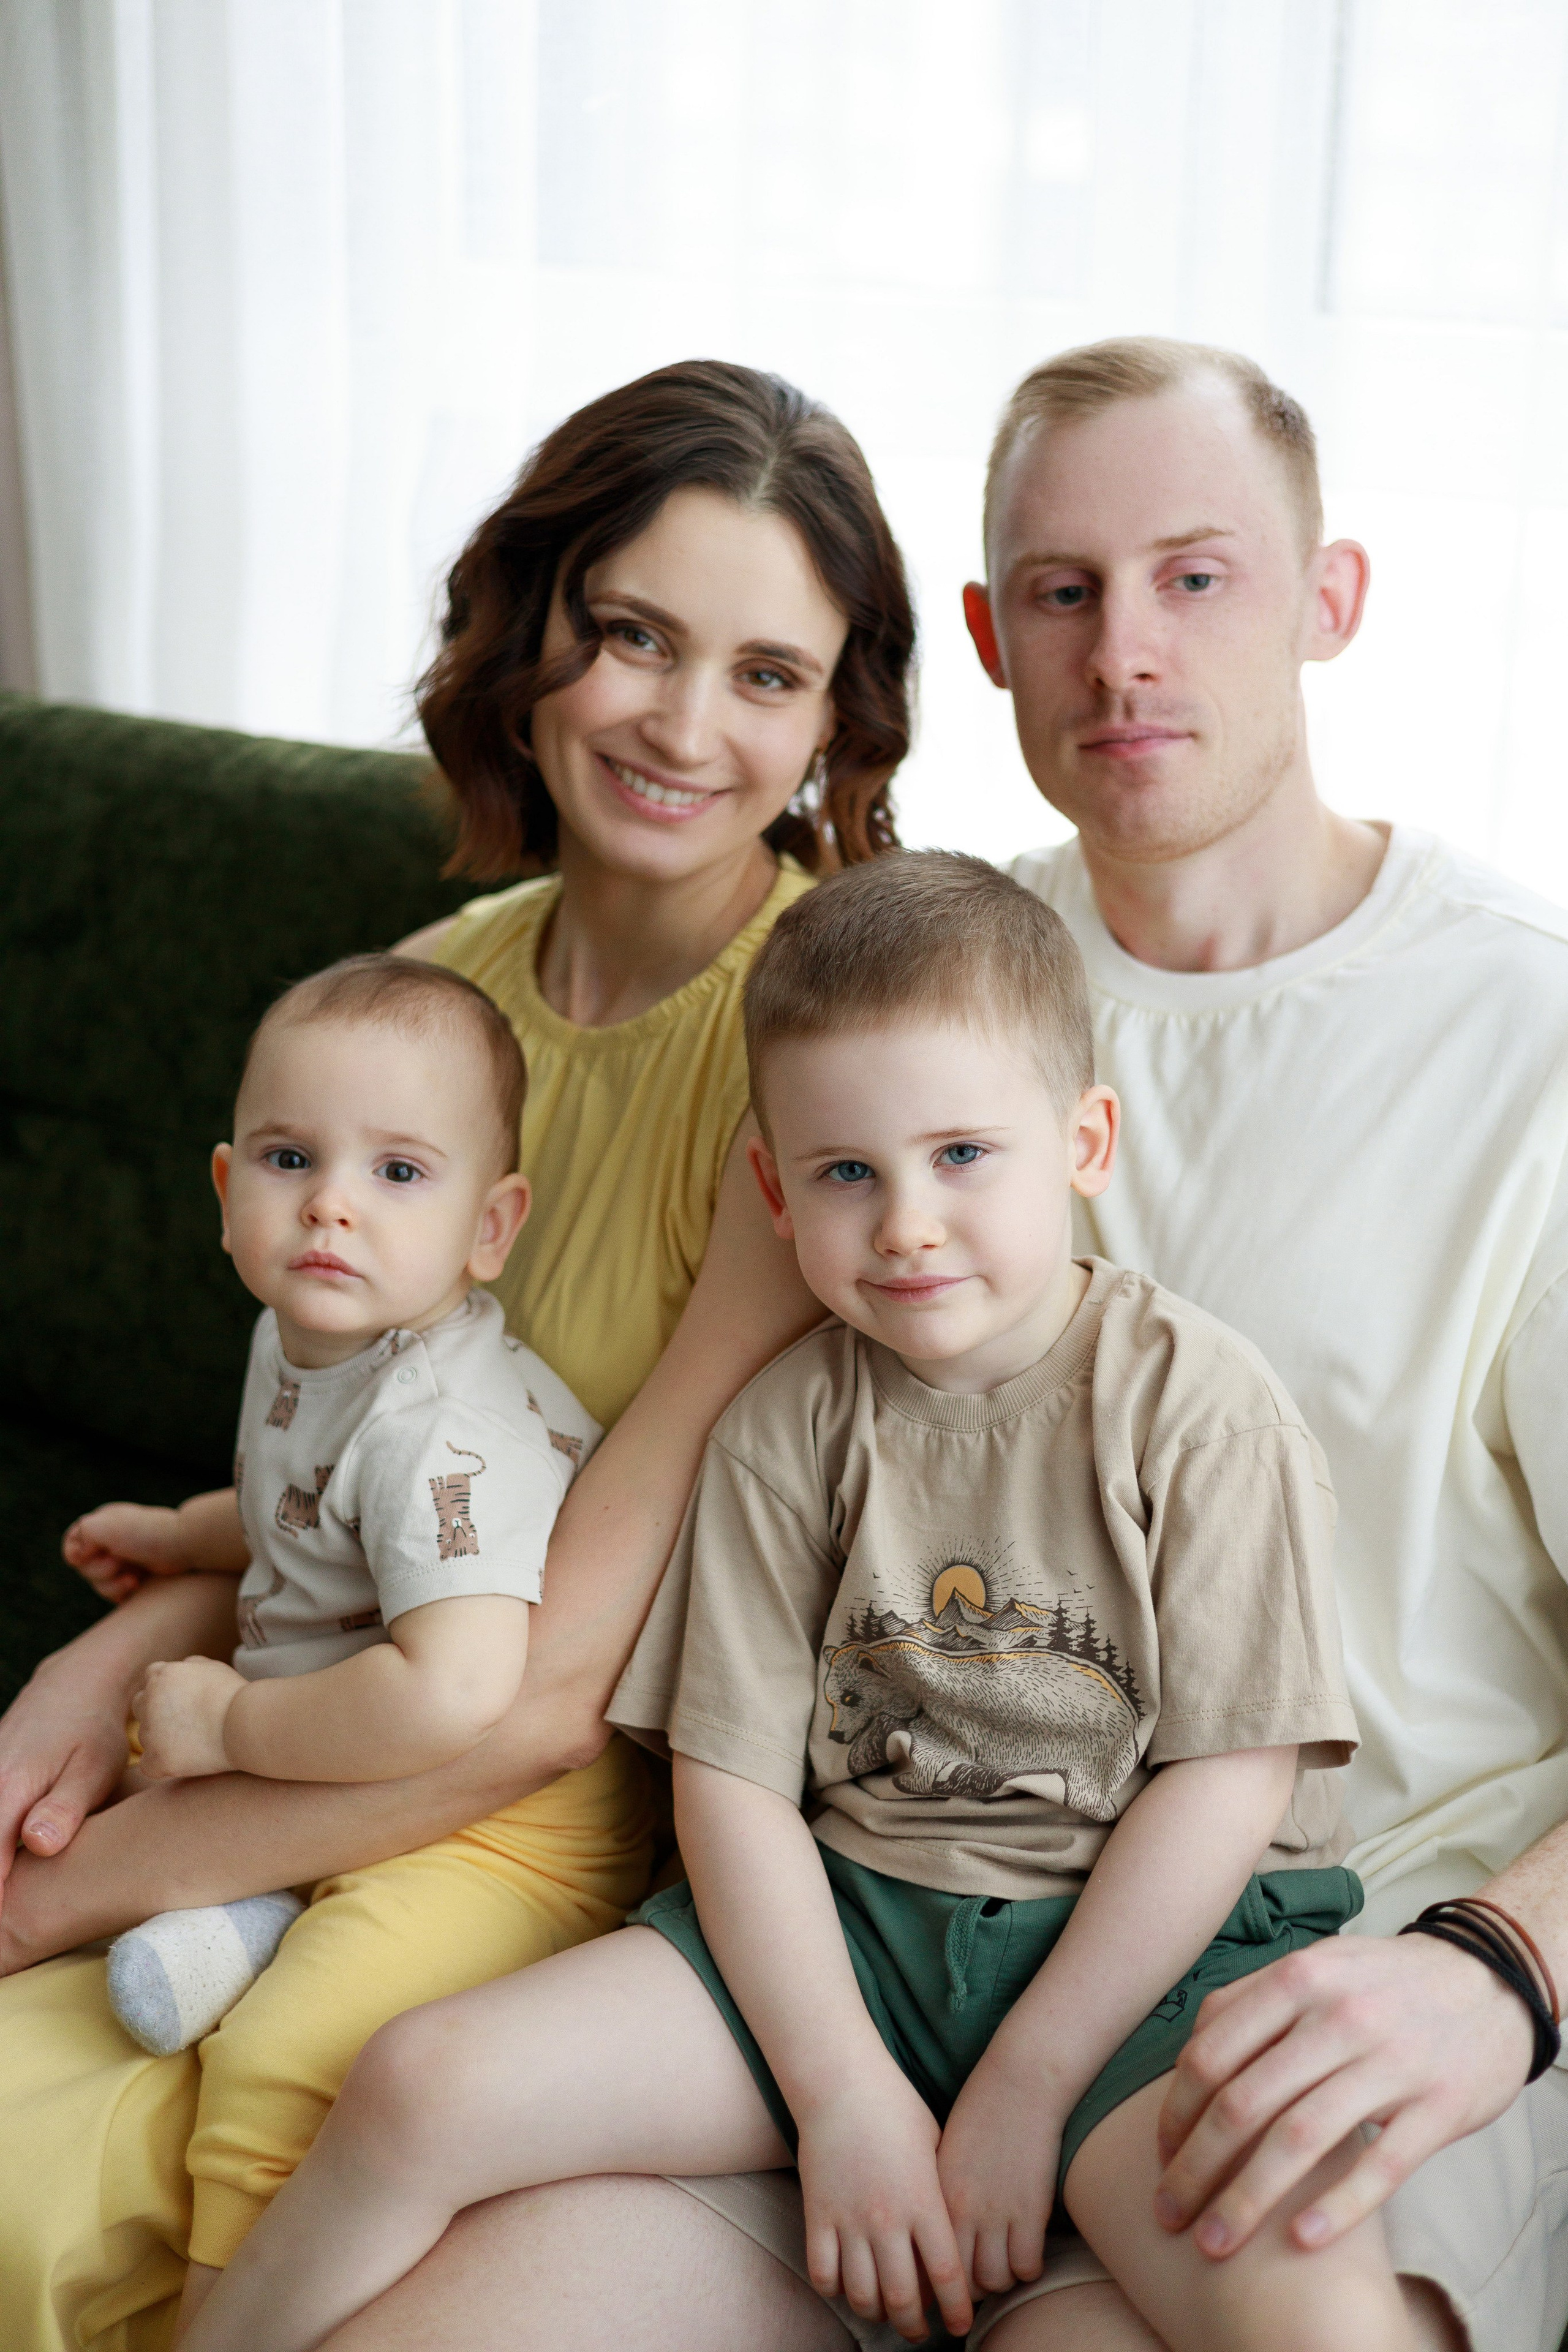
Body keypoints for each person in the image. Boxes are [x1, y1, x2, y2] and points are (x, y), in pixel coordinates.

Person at [244, 343, 1568, 2352]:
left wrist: (1505, 1968)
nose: (1123, 651)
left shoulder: (1524, 1049)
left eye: (1197, 578)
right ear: (984, 634)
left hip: (1331, 1969)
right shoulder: (885, 992)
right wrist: (188, 1627)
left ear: (1331, 600)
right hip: (852, 1956)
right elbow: (485, 1454)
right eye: (1060, 590)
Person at [182, 851, 1406, 2352]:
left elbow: (1230, 1779)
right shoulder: (783, 1423)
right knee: (417, 2085)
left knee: (1313, 2313)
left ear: (1082, 1139)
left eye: (962, 1154)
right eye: (845, 1173)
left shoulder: (1197, 1410)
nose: (903, 1224)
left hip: (1153, 1973)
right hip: (849, 1936)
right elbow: (734, 1785)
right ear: (773, 1187)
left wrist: (1025, 2085)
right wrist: (838, 2093)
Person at [0, 358, 915, 2352]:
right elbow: (347, 1473)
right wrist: (106, 1654)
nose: (682, 725)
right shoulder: (426, 1001)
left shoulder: (822, 1063)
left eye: (768, 674)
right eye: (634, 638)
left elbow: (548, 1695)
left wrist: (75, 1885)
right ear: (534, 637)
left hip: (554, 1820)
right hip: (324, 1715)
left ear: (836, 724)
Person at [102, 953, 600, 2062]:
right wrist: (183, 1535)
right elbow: (306, 1511)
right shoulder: (299, 1330)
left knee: (310, 2043)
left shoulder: (440, 1433)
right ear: (230, 1194)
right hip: (333, 1743)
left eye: (400, 1173)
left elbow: (452, 1694)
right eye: (292, 1159)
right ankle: (247, 1915)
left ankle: (270, 1932)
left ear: (490, 1227)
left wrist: (232, 1725)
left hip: (474, 1805)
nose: (331, 1202)